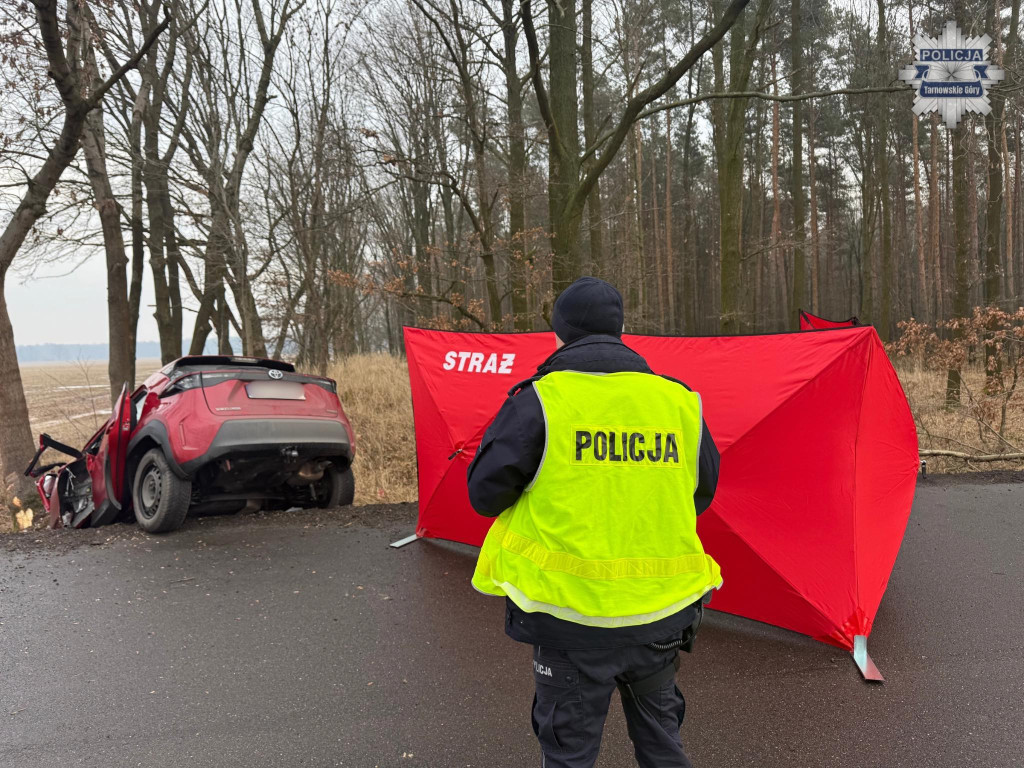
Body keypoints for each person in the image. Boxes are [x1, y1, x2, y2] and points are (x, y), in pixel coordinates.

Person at [467, 276, 722, 768]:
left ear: (559, 334)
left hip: (570, 624)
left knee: (570, 755)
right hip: (660, 615)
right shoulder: (679, 402)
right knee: (663, 746)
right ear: (621, 331)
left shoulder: (539, 401)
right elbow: (701, 493)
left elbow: (484, 496)